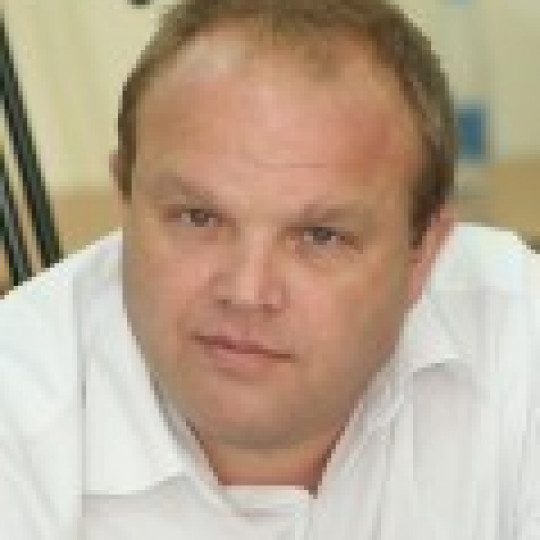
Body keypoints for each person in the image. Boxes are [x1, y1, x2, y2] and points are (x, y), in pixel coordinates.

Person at [0, 0, 538, 538]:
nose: (246, 291)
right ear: (126, 198)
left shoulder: (516, 335)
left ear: (423, 252)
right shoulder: (18, 403)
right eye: (198, 217)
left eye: (320, 236)